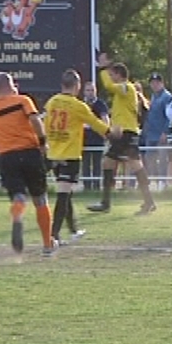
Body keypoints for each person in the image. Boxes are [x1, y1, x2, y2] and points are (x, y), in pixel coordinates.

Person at [0, 73, 55, 256]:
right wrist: (42, 142)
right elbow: (35, 120)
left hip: (7, 157)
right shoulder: (22, 101)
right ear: (11, 85)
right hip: (29, 152)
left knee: (18, 196)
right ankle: (47, 245)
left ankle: (18, 214)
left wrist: (2, 138)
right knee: (40, 198)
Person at [44, 69, 122, 245]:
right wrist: (112, 133)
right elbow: (96, 124)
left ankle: (73, 230)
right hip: (70, 155)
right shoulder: (78, 106)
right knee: (63, 195)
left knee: (67, 193)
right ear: (77, 86)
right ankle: (53, 236)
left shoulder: (51, 103)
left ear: (62, 84)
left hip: (53, 154)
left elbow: (45, 126)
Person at [87, 53, 157, 215]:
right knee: (119, 164)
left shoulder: (127, 87)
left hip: (126, 133)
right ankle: (144, 202)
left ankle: (144, 202)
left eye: (112, 75)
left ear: (119, 75)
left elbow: (109, 86)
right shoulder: (125, 91)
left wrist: (103, 68)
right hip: (123, 133)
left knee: (124, 164)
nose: (111, 78)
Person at [143, 73, 172, 189]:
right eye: (152, 83)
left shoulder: (167, 97)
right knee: (149, 158)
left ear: (162, 83)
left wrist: (165, 132)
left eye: (157, 82)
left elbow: (168, 116)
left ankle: (162, 181)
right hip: (151, 133)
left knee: (162, 158)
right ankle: (154, 180)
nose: (155, 85)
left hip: (161, 133)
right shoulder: (153, 96)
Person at [81, 81, 109, 191]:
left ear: (96, 91)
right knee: (86, 163)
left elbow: (105, 120)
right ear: (84, 91)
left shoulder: (100, 104)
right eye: (88, 90)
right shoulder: (81, 105)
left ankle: (97, 187)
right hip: (84, 139)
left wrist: (106, 132)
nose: (90, 93)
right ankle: (87, 188)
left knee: (97, 164)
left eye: (92, 90)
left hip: (97, 139)